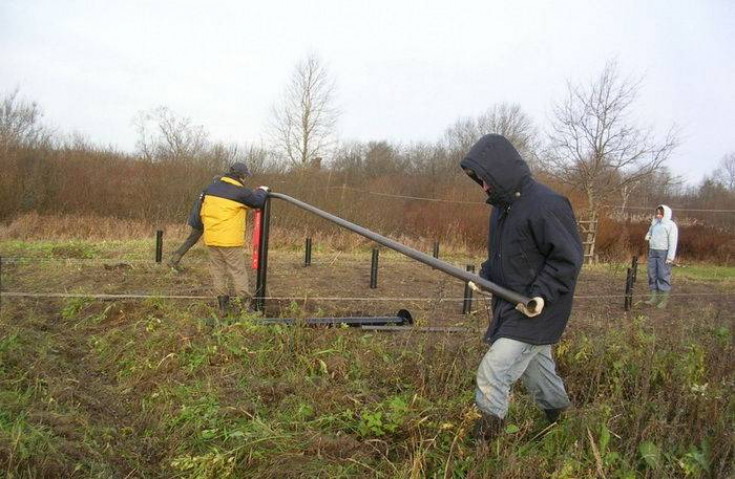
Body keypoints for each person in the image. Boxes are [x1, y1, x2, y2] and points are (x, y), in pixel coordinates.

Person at [460, 134, 584, 441]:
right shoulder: (502, 208)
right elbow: (506, 257)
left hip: (539, 309)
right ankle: (561, 420)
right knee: (538, 371)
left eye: (486, 179)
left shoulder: (547, 205)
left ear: (501, 170)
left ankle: (486, 440)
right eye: (480, 181)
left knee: (494, 369)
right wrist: (485, 276)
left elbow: (568, 259)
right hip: (511, 304)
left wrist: (539, 294)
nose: (484, 187)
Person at [200, 162, 268, 315]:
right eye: (245, 177)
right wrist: (263, 190)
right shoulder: (240, 191)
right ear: (242, 176)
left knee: (218, 272)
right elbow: (257, 201)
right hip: (229, 240)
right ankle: (246, 308)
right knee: (238, 272)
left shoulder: (211, 188)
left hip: (211, 238)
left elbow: (202, 210)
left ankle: (223, 307)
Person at [644, 205, 678, 309]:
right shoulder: (655, 224)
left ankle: (663, 300)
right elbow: (649, 233)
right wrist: (648, 236)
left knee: (663, 275)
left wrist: (670, 257)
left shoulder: (671, 225)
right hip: (653, 251)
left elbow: (673, 241)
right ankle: (654, 298)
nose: (658, 215)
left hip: (664, 253)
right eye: (657, 213)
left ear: (665, 214)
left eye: (660, 213)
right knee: (652, 274)